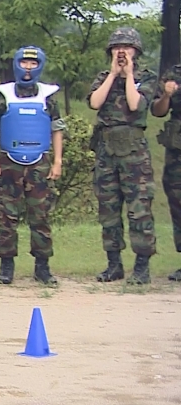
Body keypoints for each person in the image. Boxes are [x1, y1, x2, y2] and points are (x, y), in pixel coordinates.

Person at [0, 46, 65, 286]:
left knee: (40, 215)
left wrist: (58, 161)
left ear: (39, 64)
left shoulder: (49, 96)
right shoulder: (3, 94)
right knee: (7, 215)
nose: (28, 68)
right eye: (24, 63)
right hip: (9, 162)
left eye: (33, 63)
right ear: (17, 64)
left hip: (40, 162)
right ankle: (6, 266)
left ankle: (42, 266)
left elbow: (57, 129)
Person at [87, 26, 158, 285]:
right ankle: (114, 264)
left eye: (127, 48)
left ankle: (142, 266)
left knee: (139, 210)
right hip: (107, 152)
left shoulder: (146, 78)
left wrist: (128, 77)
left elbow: (135, 105)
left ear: (135, 51)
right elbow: (95, 103)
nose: (122, 52)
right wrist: (113, 75)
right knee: (109, 209)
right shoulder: (103, 77)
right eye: (117, 48)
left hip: (134, 153)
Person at [150, 63, 181, 282]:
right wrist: (167, 96)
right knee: (178, 204)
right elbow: (157, 111)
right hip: (177, 154)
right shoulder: (174, 73)